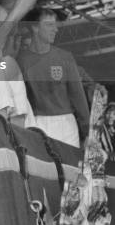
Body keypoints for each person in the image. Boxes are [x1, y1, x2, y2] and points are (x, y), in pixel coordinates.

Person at [17, 8, 89, 147]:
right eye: (49, 25)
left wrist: (87, 131)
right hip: (36, 124)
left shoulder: (65, 57)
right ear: (35, 27)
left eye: (55, 25)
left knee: (70, 168)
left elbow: (78, 96)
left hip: (67, 125)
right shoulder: (21, 60)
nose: (55, 29)